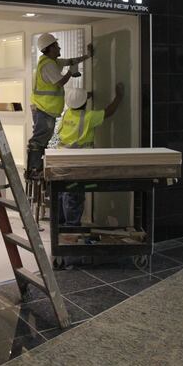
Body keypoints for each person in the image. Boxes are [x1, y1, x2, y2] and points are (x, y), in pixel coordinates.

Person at [58, 83, 124, 227]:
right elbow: (109, 112)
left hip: (61, 159)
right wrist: (119, 97)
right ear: (83, 104)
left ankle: (60, 226)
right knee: (74, 193)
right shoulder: (88, 117)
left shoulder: (67, 113)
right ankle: (72, 228)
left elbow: (76, 102)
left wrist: (85, 96)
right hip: (77, 161)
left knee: (62, 192)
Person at [26, 33, 93, 177]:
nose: (59, 47)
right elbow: (60, 82)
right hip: (43, 109)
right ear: (49, 48)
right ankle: (34, 169)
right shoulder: (49, 65)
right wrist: (70, 72)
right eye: (56, 45)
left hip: (45, 109)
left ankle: (36, 167)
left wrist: (87, 56)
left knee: (42, 138)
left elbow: (70, 61)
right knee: (39, 139)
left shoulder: (51, 61)